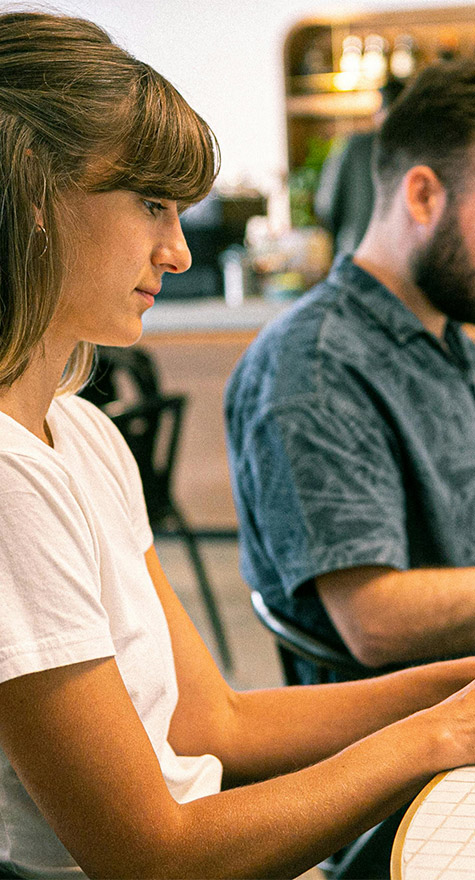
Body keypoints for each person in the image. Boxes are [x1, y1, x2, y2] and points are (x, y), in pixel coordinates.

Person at [2, 16, 475, 880]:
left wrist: (451, 692)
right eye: (151, 204)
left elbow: (213, 724)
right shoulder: (8, 479)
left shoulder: (83, 432)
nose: (178, 250)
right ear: (33, 196)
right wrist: (434, 734)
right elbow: (151, 855)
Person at [225, 59, 475, 682]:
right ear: (422, 195)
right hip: (410, 739)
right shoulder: (312, 369)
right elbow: (375, 619)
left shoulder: (442, 332)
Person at [314, 77, 405, 256]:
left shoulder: (354, 146)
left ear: (379, 112)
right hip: (402, 263)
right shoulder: (418, 149)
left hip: (355, 255)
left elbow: (325, 205)